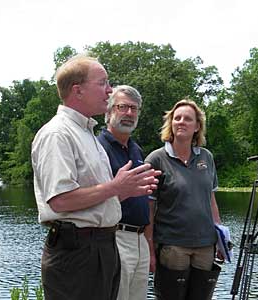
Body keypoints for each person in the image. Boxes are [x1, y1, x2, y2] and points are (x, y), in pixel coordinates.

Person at [31, 55, 160, 300]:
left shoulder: (87, 134)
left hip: (101, 247)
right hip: (77, 252)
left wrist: (126, 190)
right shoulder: (57, 134)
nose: (109, 90)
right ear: (77, 90)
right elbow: (60, 200)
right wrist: (115, 187)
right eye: (102, 83)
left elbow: (96, 197)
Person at [145, 99, 223, 300]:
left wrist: (222, 240)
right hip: (173, 246)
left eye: (188, 119)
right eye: (177, 118)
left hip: (206, 246)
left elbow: (211, 200)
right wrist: (150, 248)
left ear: (197, 126)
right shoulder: (156, 159)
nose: (181, 122)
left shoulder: (206, 157)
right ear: (170, 123)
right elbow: (148, 207)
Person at [97, 85, 153, 300]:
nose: (129, 113)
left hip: (139, 240)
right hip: (114, 236)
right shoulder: (98, 147)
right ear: (109, 112)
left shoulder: (135, 149)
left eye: (134, 109)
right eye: (123, 107)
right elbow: (96, 199)